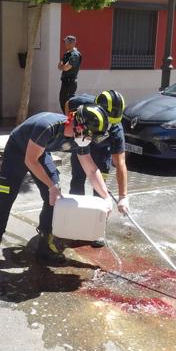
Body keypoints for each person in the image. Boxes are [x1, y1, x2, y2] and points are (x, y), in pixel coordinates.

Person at [0, 105, 114, 271]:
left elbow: (90, 168)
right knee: (6, 197)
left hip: (40, 151)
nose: (89, 140)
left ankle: (45, 245)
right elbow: (31, 160)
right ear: (79, 125)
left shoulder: (81, 137)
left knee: (53, 199)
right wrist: (51, 186)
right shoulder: (47, 127)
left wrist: (106, 197)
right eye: (90, 135)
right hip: (18, 150)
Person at [66, 90, 129, 248]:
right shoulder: (82, 102)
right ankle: (76, 224)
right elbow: (68, 104)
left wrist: (123, 196)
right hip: (81, 145)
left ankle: (97, 229)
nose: (110, 124)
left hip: (101, 153)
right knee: (77, 183)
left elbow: (120, 163)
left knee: (100, 192)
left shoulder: (115, 130)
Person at [58, 35, 82, 113]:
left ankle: (70, 121)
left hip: (70, 83)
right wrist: (62, 65)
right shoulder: (67, 54)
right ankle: (67, 119)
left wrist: (63, 66)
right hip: (65, 82)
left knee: (68, 104)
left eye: (67, 43)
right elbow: (59, 66)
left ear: (72, 44)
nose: (65, 44)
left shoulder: (75, 55)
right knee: (62, 101)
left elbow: (65, 68)